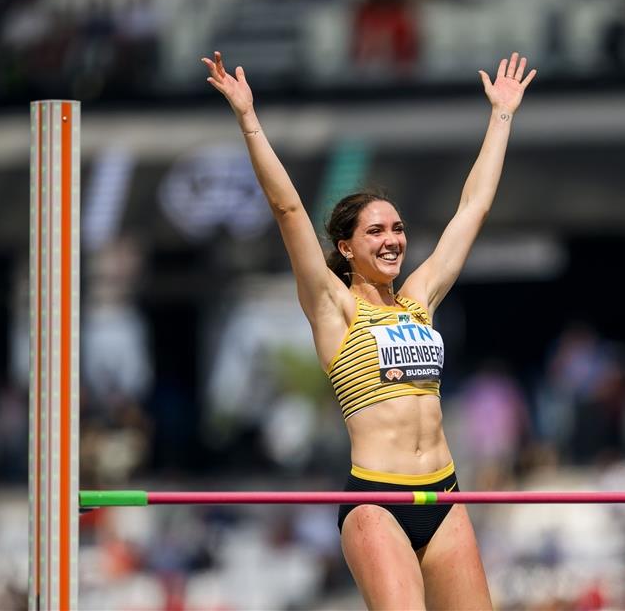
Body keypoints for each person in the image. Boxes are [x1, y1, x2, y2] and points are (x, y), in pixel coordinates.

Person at [202, 49, 536, 609]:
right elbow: (287, 210)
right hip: (378, 502)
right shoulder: (334, 308)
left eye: (399, 228)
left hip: (445, 496)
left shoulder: (419, 299)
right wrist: (248, 119)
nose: (393, 239)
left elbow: (472, 209)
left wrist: (502, 115)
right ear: (345, 247)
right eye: (376, 230)